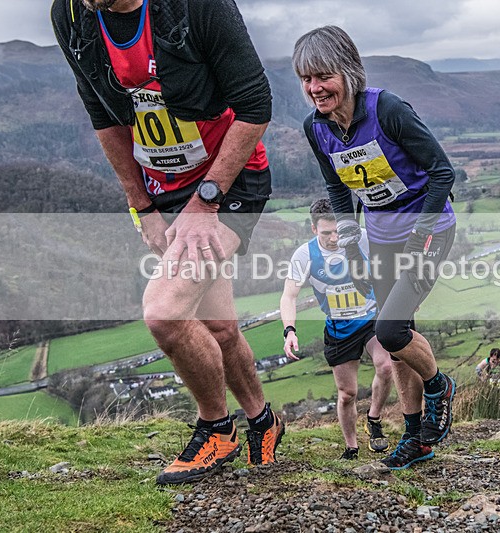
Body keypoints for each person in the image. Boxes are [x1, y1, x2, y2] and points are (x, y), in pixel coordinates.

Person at [51, 0, 284, 484]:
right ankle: (264, 421)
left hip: (229, 181)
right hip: (164, 189)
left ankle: (217, 429)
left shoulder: (198, 6)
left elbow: (256, 104)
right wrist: (142, 205)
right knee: (219, 327)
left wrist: (206, 202)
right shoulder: (71, 13)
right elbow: (102, 116)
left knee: (165, 312)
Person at [293, 26, 457, 470]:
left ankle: (439, 386)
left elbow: (442, 172)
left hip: (428, 229)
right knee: (399, 335)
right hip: (381, 236)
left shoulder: (387, 110)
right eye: (306, 79)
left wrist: (420, 236)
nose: (314, 88)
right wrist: (351, 247)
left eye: (323, 76)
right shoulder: (316, 127)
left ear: (348, 72)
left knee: (389, 331)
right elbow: (336, 186)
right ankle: (416, 436)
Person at [280, 199, 394, 460]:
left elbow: (393, 262)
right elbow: (289, 296)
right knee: (347, 394)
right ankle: (351, 448)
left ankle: (374, 419)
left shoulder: (362, 238)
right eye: (326, 233)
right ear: (313, 229)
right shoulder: (305, 255)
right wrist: (290, 331)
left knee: (386, 366)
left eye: (337, 232)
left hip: (372, 318)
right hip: (339, 327)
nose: (334, 239)